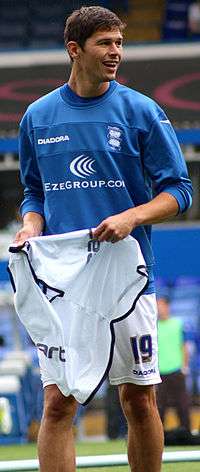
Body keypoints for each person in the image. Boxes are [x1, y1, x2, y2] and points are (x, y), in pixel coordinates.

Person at [14, 6, 193, 472]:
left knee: (138, 400)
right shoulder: (37, 117)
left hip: (128, 280)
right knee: (58, 404)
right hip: (62, 286)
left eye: (119, 43)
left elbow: (179, 191)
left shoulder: (141, 111)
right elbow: (34, 192)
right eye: (105, 44)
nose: (116, 53)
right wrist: (32, 224)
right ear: (75, 50)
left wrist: (132, 217)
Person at [156, 295, 191, 433]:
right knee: (159, 406)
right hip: (159, 372)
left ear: (167, 307)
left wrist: (185, 366)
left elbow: (184, 346)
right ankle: (158, 434)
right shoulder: (153, 326)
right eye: (157, 306)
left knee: (182, 404)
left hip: (176, 370)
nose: (159, 309)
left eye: (161, 305)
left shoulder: (178, 324)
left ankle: (187, 431)